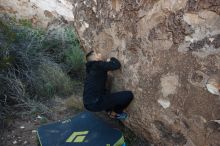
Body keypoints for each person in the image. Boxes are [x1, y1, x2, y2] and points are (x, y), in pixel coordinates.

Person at [83, 50, 134, 120]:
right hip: (96, 102)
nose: (99, 54)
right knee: (129, 95)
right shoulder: (98, 65)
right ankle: (115, 113)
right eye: (97, 54)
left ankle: (108, 110)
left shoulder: (89, 69)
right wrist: (111, 59)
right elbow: (116, 65)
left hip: (87, 103)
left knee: (105, 91)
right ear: (95, 58)